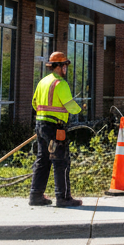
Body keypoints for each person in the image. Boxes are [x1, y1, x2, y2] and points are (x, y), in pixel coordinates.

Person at [29, 51, 84, 207]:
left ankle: (36, 196)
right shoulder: (60, 83)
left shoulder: (42, 82)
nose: (66, 68)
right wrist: (81, 110)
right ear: (59, 67)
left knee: (43, 161)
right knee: (61, 161)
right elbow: (71, 106)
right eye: (65, 65)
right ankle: (63, 197)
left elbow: (34, 103)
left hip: (40, 125)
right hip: (55, 128)